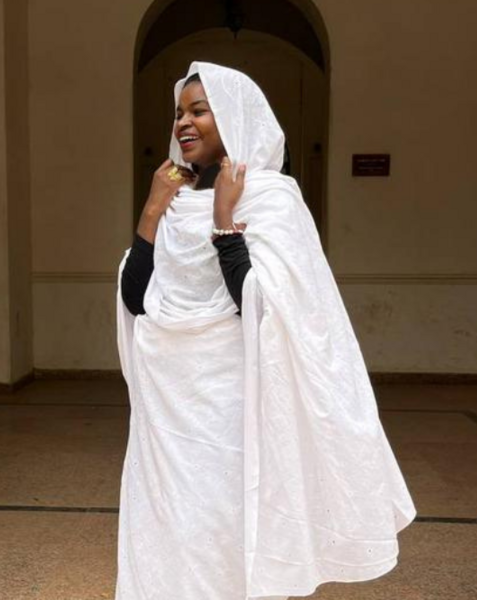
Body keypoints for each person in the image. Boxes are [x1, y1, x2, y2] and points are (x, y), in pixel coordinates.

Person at [115, 61, 416, 600]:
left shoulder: (273, 200)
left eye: (199, 110)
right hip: (169, 415)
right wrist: (152, 211)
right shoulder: (175, 206)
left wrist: (226, 221)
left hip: (235, 410)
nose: (184, 123)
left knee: (227, 527)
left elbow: (263, 307)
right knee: (174, 527)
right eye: (179, 112)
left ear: (233, 116)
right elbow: (138, 300)